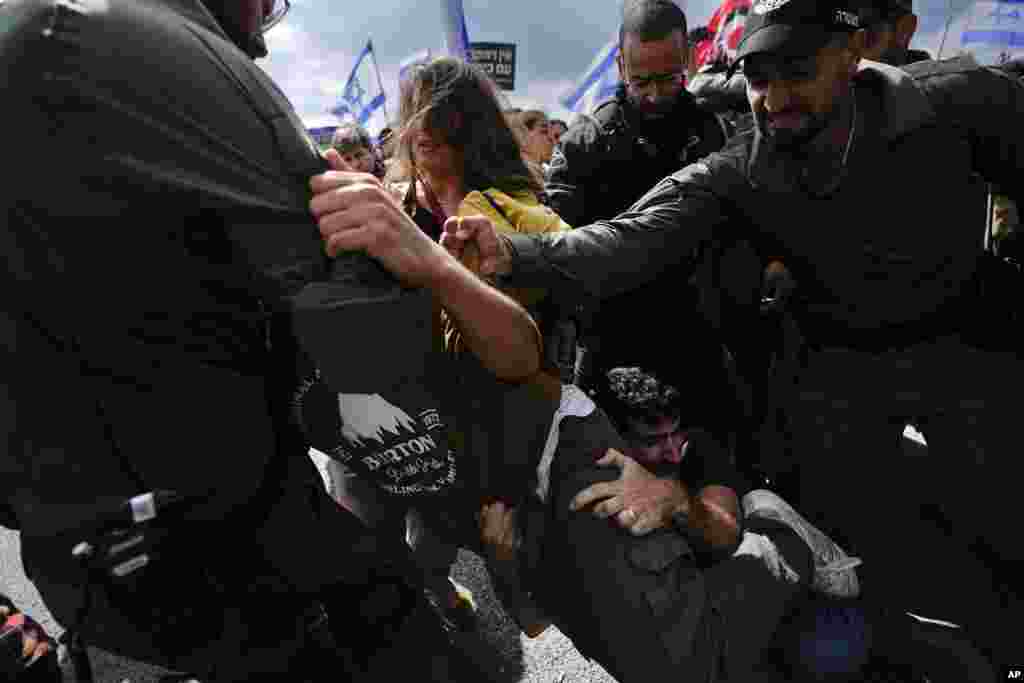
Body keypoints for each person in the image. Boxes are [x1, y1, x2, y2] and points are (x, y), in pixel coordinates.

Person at [441, 0, 1024, 675]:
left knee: (1003, 504)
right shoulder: (744, 157)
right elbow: (632, 236)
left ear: (852, 51)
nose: (773, 99)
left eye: (795, 71)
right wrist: (514, 254)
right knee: (851, 534)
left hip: (968, 335)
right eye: (756, 76)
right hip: (842, 361)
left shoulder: (956, 102)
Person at [1, 1, 528, 679]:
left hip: (83, 578)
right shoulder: (189, 59)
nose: (267, 31)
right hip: (249, 550)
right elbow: (371, 339)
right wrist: (388, 247)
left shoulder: (25, 31)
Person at [545, 0, 737, 411]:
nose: (653, 95)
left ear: (687, 57)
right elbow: (555, 240)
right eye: (640, 81)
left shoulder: (715, 131)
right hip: (612, 341)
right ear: (620, 65)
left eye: (668, 79)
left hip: (699, 337)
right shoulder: (586, 142)